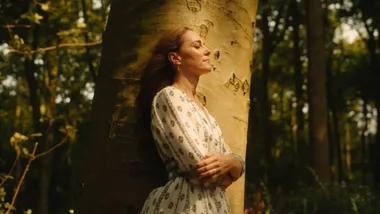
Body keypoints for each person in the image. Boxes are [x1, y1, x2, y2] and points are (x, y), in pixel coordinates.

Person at [135, 26, 245, 214]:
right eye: (197, 46)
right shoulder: (169, 97)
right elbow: (198, 168)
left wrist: (234, 163)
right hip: (185, 205)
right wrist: (232, 168)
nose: (207, 50)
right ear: (176, 58)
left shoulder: (204, 112)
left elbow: (233, 163)